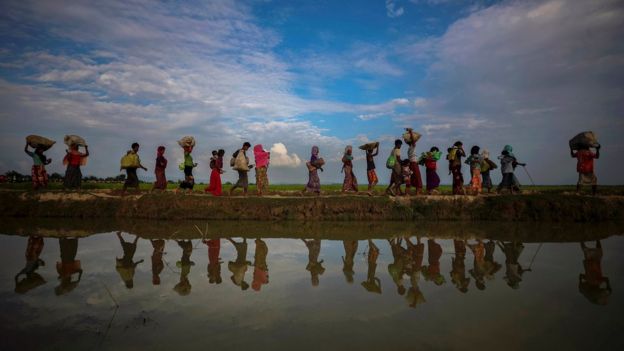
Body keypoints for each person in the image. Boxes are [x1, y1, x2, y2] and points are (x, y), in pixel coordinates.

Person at [579, 241, 611, 305]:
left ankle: (597, 239)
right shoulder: (589, 281)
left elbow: (606, 279)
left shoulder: (597, 282)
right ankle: (582, 240)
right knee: (587, 252)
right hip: (590, 263)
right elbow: (581, 276)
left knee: (597, 252)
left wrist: (608, 286)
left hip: (594, 263)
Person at [406, 129, 423, 195]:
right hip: (413, 164)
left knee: (413, 178)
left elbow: (412, 141)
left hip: (412, 163)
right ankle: (417, 193)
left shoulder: (409, 148)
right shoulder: (412, 147)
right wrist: (410, 133)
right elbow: (413, 141)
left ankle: (412, 192)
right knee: (417, 177)